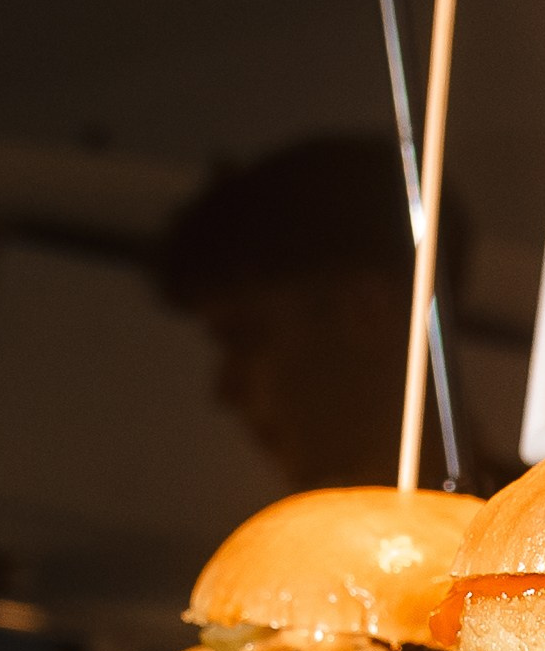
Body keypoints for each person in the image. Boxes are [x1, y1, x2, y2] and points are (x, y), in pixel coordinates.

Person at [158, 137, 421, 489]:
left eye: (246, 338)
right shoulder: (296, 540)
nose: (225, 390)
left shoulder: (511, 540)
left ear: (368, 309)